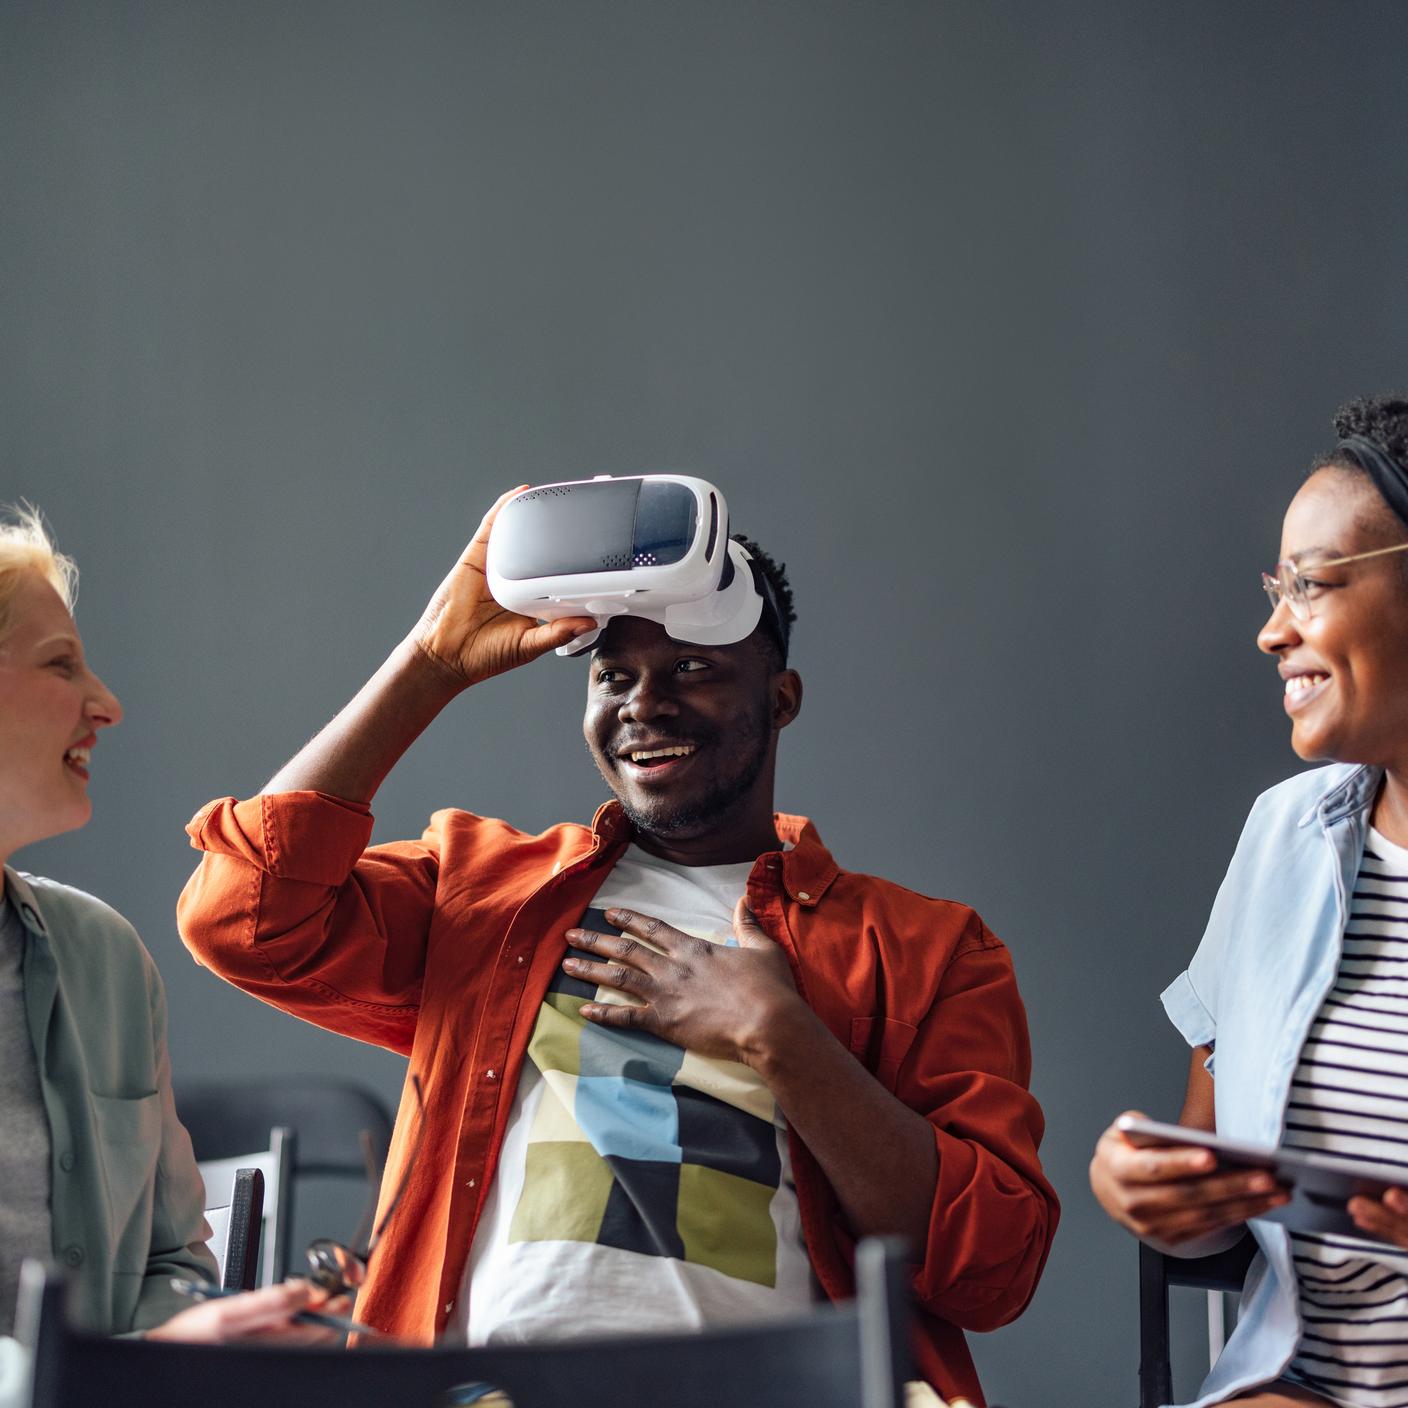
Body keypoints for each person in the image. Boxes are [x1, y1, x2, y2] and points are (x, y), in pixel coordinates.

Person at [177, 485, 1058, 1406]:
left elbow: (992, 1267)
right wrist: (431, 661)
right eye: (615, 676)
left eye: (693, 670)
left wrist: (782, 1041)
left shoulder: (928, 950)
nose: (647, 704)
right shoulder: (485, 889)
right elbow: (240, 917)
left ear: (782, 700)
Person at [1090, 394, 1408, 1408]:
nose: (1273, 631)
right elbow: (1218, 1178)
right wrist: (1151, 1190)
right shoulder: (1285, 837)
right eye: (1278, 588)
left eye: (1310, 586)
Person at [0, 504, 342, 1395]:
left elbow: (171, 1260)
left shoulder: (102, 959)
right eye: (59, 665)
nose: (106, 704)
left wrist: (200, 1332)